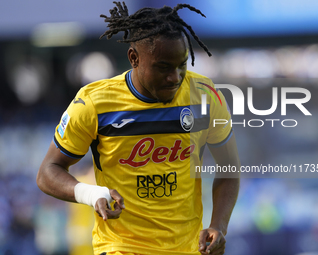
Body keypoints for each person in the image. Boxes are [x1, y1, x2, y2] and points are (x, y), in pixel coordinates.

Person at [37, 2, 240, 255]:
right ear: (134, 58)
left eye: (182, 65)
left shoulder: (205, 96)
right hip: (121, 247)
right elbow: (48, 171)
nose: (175, 77)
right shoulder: (94, 103)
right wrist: (90, 194)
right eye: (164, 67)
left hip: (188, 249)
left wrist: (218, 226)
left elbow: (230, 169)